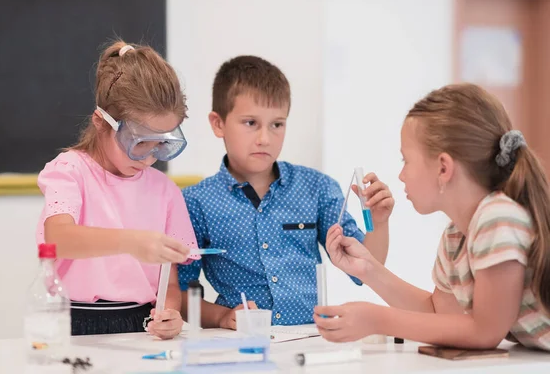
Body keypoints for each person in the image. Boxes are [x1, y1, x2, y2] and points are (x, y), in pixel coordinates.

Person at [316, 83, 550, 351]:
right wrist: (368, 269)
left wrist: (376, 319)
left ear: (443, 168)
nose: (401, 175)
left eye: (406, 160)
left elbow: (485, 331)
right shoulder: (456, 234)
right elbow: (440, 314)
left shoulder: (498, 219)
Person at [178, 55, 394, 329]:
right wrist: (221, 317)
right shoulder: (196, 202)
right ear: (218, 123)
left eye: (277, 124)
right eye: (250, 123)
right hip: (241, 344)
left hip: (309, 341)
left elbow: (364, 269)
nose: (265, 138)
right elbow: (180, 293)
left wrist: (380, 222)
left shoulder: (317, 188)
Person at [35, 40, 198, 338]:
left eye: (161, 144)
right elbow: (58, 239)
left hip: (141, 326)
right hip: (74, 322)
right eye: (139, 143)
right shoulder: (70, 172)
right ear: (101, 122)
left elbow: (170, 284)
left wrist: (170, 313)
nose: (149, 158)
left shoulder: (165, 191)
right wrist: (131, 242)